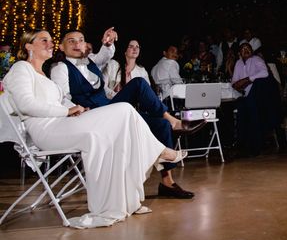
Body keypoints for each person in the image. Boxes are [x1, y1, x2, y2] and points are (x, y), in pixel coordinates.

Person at [3, 29, 187, 228]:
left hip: (64, 123)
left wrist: (74, 110)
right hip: (47, 130)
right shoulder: (22, 68)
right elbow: (26, 105)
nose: (50, 43)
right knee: (124, 111)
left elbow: (61, 100)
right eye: (43, 40)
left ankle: (126, 198)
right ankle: (159, 151)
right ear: (28, 46)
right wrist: (67, 111)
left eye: (50, 40)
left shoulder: (45, 75)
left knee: (125, 114)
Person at [50, 28, 203, 199]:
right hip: (94, 117)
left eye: (81, 40)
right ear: (62, 47)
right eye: (71, 41)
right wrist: (75, 109)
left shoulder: (90, 62)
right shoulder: (61, 68)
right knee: (138, 83)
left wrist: (108, 43)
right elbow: (62, 97)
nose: (77, 44)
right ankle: (174, 121)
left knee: (160, 124)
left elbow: (104, 55)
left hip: (110, 109)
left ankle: (167, 182)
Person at [232, 42, 281, 156]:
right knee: (240, 109)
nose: (246, 50)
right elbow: (234, 81)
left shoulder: (256, 59)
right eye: (243, 49)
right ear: (239, 53)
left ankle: (255, 146)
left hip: (259, 97)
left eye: (248, 48)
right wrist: (236, 85)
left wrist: (248, 79)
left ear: (252, 51)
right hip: (243, 95)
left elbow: (265, 73)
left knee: (251, 107)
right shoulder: (238, 63)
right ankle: (242, 145)